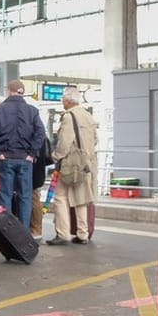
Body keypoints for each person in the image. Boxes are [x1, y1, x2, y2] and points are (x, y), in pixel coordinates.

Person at [0, 80, 46, 227]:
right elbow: (40, 133)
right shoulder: (32, 111)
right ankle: (24, 234)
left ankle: (8, 232)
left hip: (5, 159)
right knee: (25, 197)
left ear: (8, 91)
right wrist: (32, 154)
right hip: (25, 160)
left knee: (5, 196)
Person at [47, 85, 100, 246]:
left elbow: (64, 142)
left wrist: (55, 157)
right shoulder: (87, 116)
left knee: (59, 197)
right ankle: (82, 234)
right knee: (81, 198)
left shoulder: (69, 117)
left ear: (69, 101)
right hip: (87, 164)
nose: (62, 102)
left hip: (71, 165)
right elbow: (96, 139)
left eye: (63, 99)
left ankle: (63, 233)